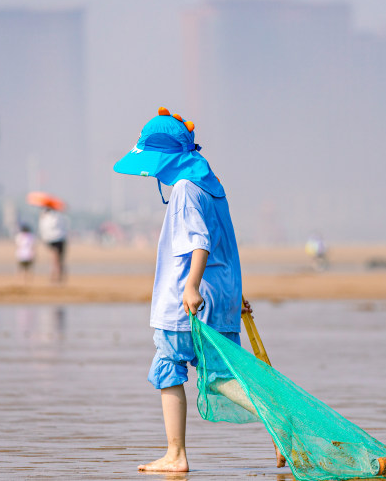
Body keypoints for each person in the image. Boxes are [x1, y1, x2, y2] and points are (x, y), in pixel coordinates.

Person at [113, 107, 284, 472]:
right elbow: (225, 243)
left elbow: (200, 242)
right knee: (222, 376)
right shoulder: (211, 184)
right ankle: (276, 420)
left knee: (169, 365)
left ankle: (176, 454)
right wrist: (234, 294)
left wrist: (190, 286)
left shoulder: (185, 190)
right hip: (221, 294)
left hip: (189, 299)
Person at [38, 206, 68, 283]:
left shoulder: (46, 218)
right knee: (57, 259)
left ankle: (55, 277)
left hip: (54, 240)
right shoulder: (58, 216)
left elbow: (44, 230)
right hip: (58, 239)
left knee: (55, 260)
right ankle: (57, 277)